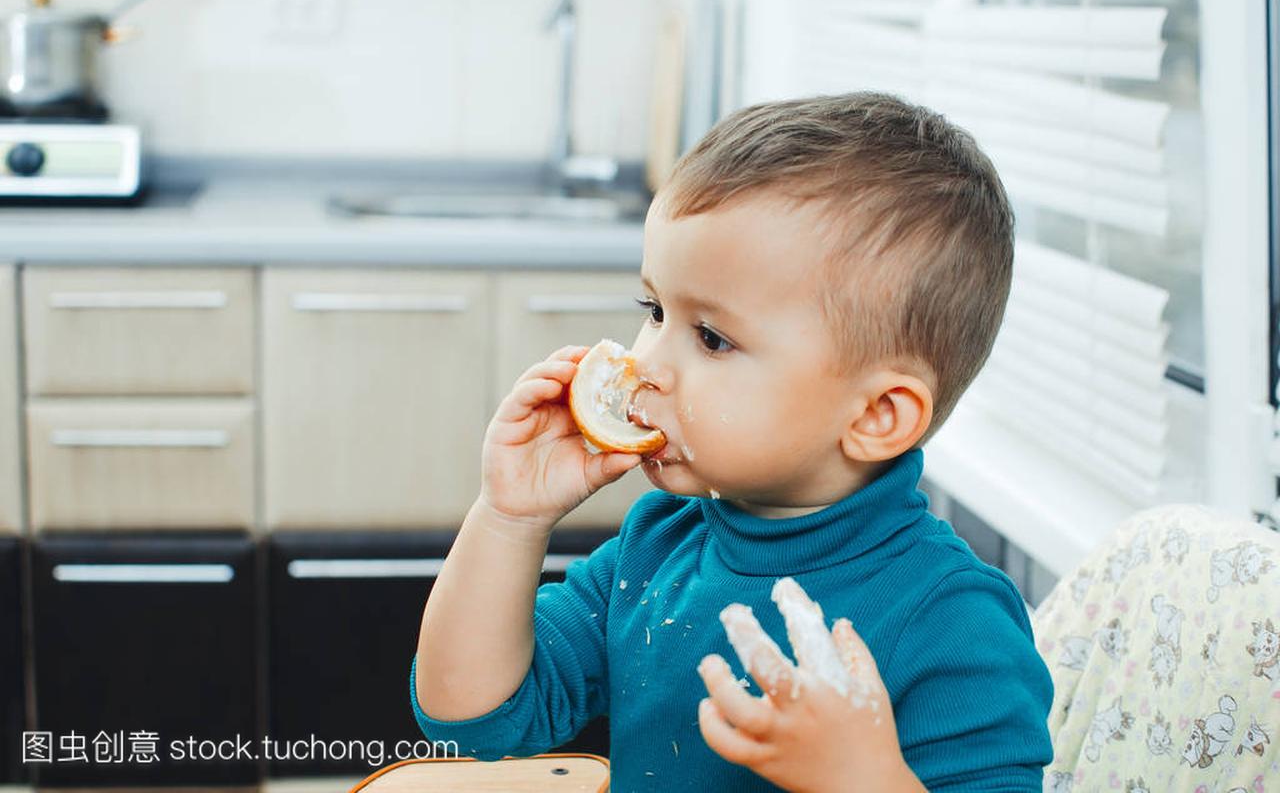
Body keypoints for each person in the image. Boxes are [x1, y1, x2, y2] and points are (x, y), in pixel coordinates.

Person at [409, 92, 1053, 791]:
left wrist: (862, 780)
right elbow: (471, 717)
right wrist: (508, 519)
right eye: (654, 310)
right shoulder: (657, 548)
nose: (645, 364)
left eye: (712, 338)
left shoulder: (954, 621)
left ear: (876, 416)